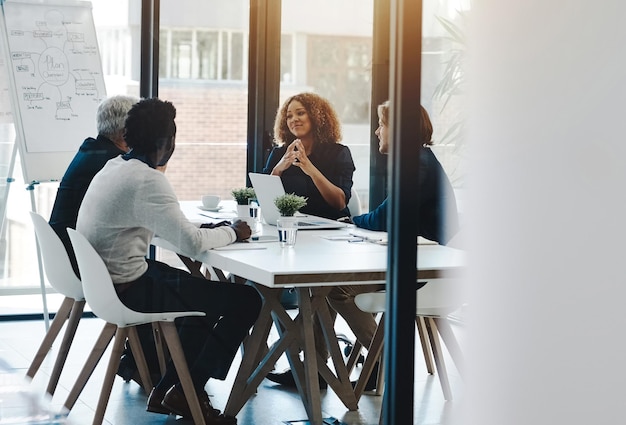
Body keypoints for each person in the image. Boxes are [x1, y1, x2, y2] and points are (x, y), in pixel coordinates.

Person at [76, 98, 261, 424]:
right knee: (245, 300)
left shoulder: (114, 166)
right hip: (126, 289)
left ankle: (173, 389)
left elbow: (170, 227)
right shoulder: (148, 180)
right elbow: (190, 244)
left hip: (106, 283)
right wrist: (234, 232)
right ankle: (188, 388)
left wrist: (201, 230)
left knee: (198, 290)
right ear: (165, 143)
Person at [267, 101, 459, 391]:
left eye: (382, 124)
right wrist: (357, 221)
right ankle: (315, 369)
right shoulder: (416, 159)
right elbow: (389, 212)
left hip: (422, 270)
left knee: (336, 288)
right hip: (410, 258)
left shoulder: (415, 163)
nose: (377, 131)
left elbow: (388, 214)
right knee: (324, 285)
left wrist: (353, 221)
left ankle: (383, 358)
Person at [49, 94, 139, 277]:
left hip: (64, 256)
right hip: (84, 262)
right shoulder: (112, 163)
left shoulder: (91, 150)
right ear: (125, 132)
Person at [262, 92, 355, 220]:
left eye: (300, 113)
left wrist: (310, 168)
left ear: (316, 117)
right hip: (291, 225)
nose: (293, 119)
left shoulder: (339, 153)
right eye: (289, 116)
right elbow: (266, 202)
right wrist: (277, 170)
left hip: (331, 227)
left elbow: (340, 203)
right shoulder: (279, 154)